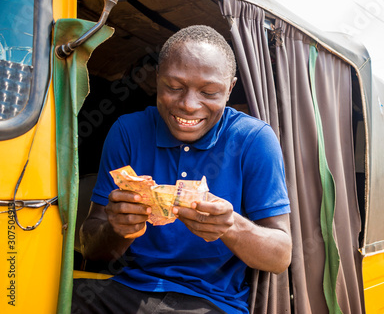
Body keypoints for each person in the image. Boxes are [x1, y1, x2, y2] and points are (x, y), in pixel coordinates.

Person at [72, 25, 292, 314]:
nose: (188, 105)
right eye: (174, 87)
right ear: (157, 80)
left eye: (209, 92)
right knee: (49, 297)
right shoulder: (128, 131)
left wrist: (230, 226)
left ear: (230, 89)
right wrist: (118, 229)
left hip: (210, 301)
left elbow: (280, 256)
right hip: (128, 289)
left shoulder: (253, 140)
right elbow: (92, 248)